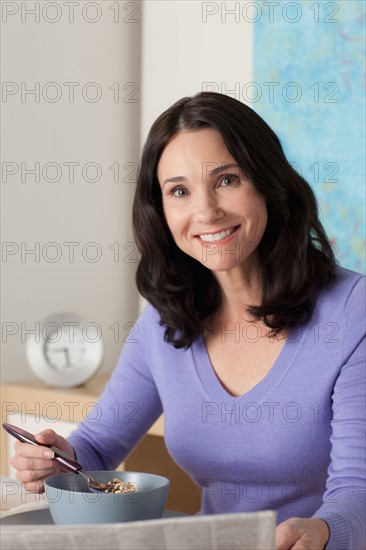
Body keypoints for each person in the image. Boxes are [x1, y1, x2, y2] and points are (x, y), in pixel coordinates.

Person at [11, 92, 365, 549]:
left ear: (268, 182)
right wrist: (57, 461)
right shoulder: (166, 320)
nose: (206, 212)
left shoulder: (352, 312)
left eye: (228, 179)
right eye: (180, 191)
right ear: (161, 211)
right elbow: (97, 447)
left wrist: (322, 531)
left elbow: (358, 489)